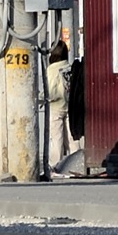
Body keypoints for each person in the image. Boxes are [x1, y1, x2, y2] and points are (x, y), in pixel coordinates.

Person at [46, 40, 72, 178]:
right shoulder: (69, 66)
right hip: (69, 104)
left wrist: (41, 97)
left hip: (56, 106)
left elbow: (50, 90)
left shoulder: (52, 69)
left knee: (57, 138)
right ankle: (75, 162)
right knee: (72, 137)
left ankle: (56, 165)